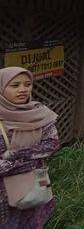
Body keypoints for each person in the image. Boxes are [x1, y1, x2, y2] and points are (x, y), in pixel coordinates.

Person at [0, 67, 60, 229]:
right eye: (15, 85)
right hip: (3, 195)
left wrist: (14, 156)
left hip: (33, 188)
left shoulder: (39, 113)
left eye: (27, 84)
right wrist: (31, 158)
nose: (23, 90)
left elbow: (52, 144)